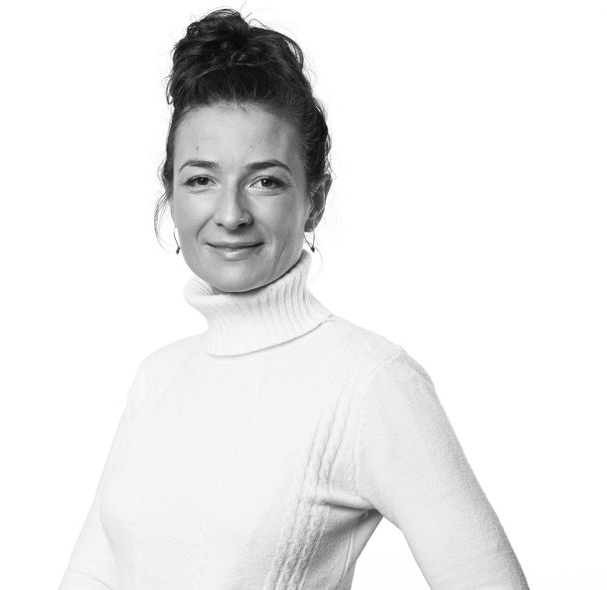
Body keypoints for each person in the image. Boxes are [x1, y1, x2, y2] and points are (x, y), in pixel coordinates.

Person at [59, 9, 528, 590]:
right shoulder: (158, 376)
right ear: (171, 194)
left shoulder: (369, 382)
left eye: (266, 181)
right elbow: (92, 575)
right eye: (201, 179)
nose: (231, 214)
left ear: (315, 199)